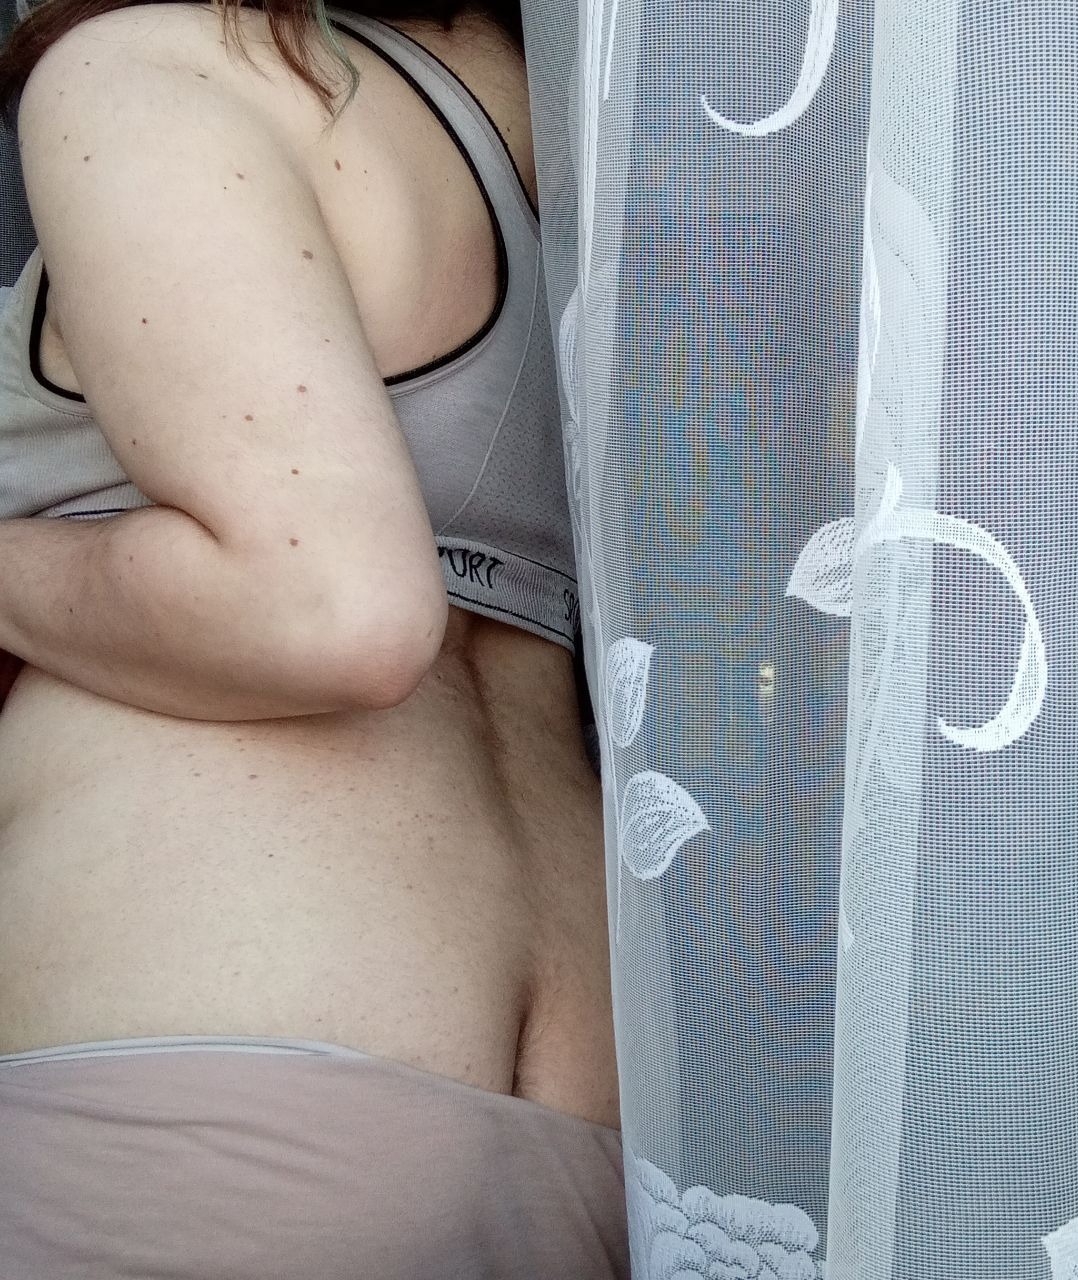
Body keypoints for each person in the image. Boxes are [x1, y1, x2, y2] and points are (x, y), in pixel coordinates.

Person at [0, 2, 626, 1276]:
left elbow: (324, 608)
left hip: (224, 1082)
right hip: (596, 1118)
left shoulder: (165, 67)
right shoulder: (603, 131)